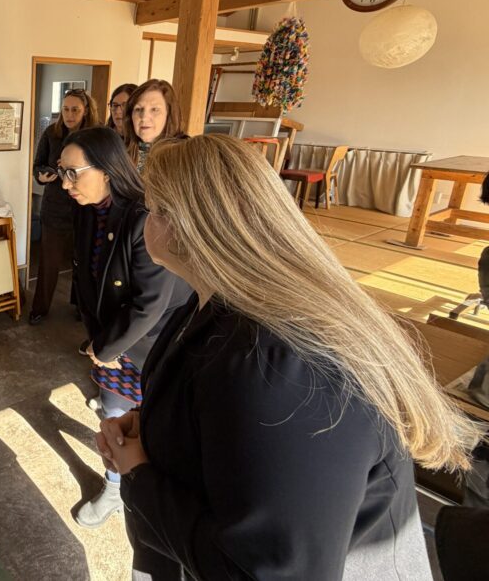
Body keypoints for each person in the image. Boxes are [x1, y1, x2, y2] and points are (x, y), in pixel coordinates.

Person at [97, 134, 483, 580]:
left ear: (196, 225)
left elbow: (267, 570)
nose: (145, 220)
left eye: (156, 208)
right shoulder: (209, 302)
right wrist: (153, 424)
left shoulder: (283, 367)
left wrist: (140, 475)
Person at [58, 128, 191, 529]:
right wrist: (99, 341)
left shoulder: (146, 218)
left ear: (107, 169)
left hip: (152, 347)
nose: (65, 184)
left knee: (154, 429)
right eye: (61, 172)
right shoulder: (87, 209)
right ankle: (116, 489)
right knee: (114, 418)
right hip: (111, 343)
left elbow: (151, 303)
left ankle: (154, 500)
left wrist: (108, 348)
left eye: (72, 173)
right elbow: (88, 279)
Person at [29, 88, 100, 324]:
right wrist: (41, 177)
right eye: (66, 109)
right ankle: (39, 308)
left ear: (86, 110)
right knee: (48, 262)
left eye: (75, 110)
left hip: (87, 208)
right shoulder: (52, 132)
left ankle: (81, 307)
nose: (69, 114)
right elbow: (37, 165)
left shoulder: (95, 136)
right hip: (55, 207)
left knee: (83, 261)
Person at [121, 79, 181, 175]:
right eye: (138, 109)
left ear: (169, 114)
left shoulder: (181, 156)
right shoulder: (122, 152)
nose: (144, 117)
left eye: (154, 109)